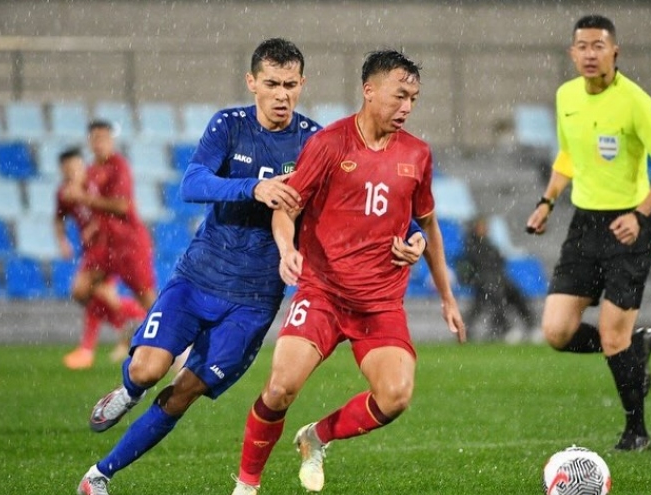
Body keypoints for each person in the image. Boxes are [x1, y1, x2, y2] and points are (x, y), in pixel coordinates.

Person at [77, 38, 425, 495]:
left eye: (290, 85)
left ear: (302, 84)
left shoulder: (316, 140)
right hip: (200, 276)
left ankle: (98, 476)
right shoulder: (229, 125)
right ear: (252, 83)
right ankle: (128, 392)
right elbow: (192, 183)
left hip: (255, 299)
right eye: (272, 84)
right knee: (146, 369)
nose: (282, 95)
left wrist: (414, 232)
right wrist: (253, 188)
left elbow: (372, 195)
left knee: (184, 392)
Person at [230, 49, 466, 495]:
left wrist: (445, 294)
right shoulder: (330, 144)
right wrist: (286, 248)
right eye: (399, 96)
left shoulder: (417, 154)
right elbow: (286, 207)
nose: (407, 107)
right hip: (322, 293)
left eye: (413, 99)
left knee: (396, 395)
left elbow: (426, 224)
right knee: (280, 388)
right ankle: (247, 485)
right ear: (369, 90)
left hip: (379, 303)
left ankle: (317, 437)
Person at [525, 15, 651, 452]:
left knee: (613, 334)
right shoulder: (566, 96)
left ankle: (637, 432)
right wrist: (547, 201)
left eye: (599, 46)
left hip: (628, 228)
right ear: (572, 53)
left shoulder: (636, 102)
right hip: (585, 225)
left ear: (615, 52)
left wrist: (640, 214)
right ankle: (635, 350)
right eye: (583, 46)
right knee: (556, 331)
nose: (590, 54)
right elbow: (568, 156)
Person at [55, 147, 146, 369]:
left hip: (109, 247)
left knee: (83, 290)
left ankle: (132, 325)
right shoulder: (64, 193)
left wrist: (95, 227)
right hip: (93, 250)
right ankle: (134, 324)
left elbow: (115, 207)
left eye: (75, 167)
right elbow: (58, 217)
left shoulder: (95, 184)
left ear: (82, 166)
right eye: (67, 169)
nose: (72, 173)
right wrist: (63, 241)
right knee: (98, 295)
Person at [63, 120, 158, 315]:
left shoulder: (119, 166)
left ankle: (170, 332)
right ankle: (127, 318)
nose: (99, 143)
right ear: (89, 142)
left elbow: (121, 206)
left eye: (103, 138)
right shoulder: (90, 171)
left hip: (128, 242)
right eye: (95, 139)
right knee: (81, 290)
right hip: (105, 246)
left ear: (111, 141)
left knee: (146, 296)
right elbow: (81, 203)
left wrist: (83, 198)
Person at [459, 215, 536, 342]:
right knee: (495, 297)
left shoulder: (488, 243)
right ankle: (504, 328)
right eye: (482, 226)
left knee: (515, 294)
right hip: (484, 281)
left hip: (496, 279)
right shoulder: (471, 245)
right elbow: (474, 266)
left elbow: (499, 261)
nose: (485, 229)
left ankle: (530, 325)